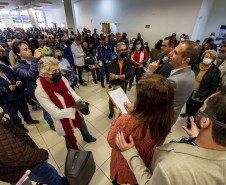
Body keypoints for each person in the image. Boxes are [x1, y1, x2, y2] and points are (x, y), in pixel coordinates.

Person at [115, 90, 226, 185]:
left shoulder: (172, 170)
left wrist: (131, 153)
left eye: (203, 106)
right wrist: (196, 136)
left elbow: (147, 182)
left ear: (205, 121)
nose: (200, 109)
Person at [107, 74, 174, 185]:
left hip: (125, 162)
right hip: (144, 159)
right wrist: (134, 109)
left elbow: (111, 141)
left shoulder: (126, 120)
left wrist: (116, 117)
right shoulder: (163, 118)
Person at [35, 57, 96, 149]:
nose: (58, 73)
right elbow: (56, 113)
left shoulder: (62, 79)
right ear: (44, 74)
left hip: (75, 110)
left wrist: (78, 99)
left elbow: (71, 91)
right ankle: (73, 149)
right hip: (63, 119)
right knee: (68, 135)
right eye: (54, 71)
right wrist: (74, 109)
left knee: (82, 125)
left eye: (58, 69)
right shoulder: (39, 91)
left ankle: (87, 137)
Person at [0, 112, 69, 185]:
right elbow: (20, 155)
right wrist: (43, 155)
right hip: (26, 166)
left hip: (17, 168)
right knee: (53, 178)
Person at [147, 41, 201, 124]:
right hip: (170, 118)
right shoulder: (191, 73)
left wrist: (149, 72)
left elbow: (150, 97)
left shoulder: (174, 81)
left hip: (158, 120)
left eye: (175, 53)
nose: (170, 54)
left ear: (185, 60)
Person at [12, 40, 55, 130]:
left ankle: (55, 120)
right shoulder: (18, 67)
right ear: (18, 53)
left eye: (28, 48)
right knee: (46, 109)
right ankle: (52, 125)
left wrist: (47, 55)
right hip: (36, 92)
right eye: (25, 49)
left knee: (52, 106)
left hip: (47, 87)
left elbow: (49, 65)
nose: (29, 50)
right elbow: (30, 75)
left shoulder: (35, 60)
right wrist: (35, 59)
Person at [0, 63, 39, 132]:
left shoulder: (3, 67)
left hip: (19, 94)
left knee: (25, 110)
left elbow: (15, 74)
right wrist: (7, 88)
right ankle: (20, 128)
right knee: (14, 116)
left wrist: (18, 80)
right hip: (7, 101)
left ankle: (29, 120)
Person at [185, 50, 220, 122]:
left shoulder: (215, 71)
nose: (207, 58)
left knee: (195, 108)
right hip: (191, 89)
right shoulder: (196, 66)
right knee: (188, 104)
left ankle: (190, 122)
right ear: (203, 56)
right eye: (206, 56)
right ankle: (187, 114)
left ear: (213, 60)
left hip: (201, 92)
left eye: (210, 58)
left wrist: (209, 95)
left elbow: (214, 85)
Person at [108, 42, 132, 119]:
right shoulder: (112, 63)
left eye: (125, 49)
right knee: (112, 101)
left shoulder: (128, 62)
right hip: (114, 85)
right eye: (122, 50)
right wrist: (123, 77)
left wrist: (116, 76)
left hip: (123, 85)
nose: (124, 51)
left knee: (122, 100)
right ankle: (112, 112)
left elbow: (129, 75)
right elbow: (111, 77)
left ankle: (120, 111)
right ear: (117, 51)